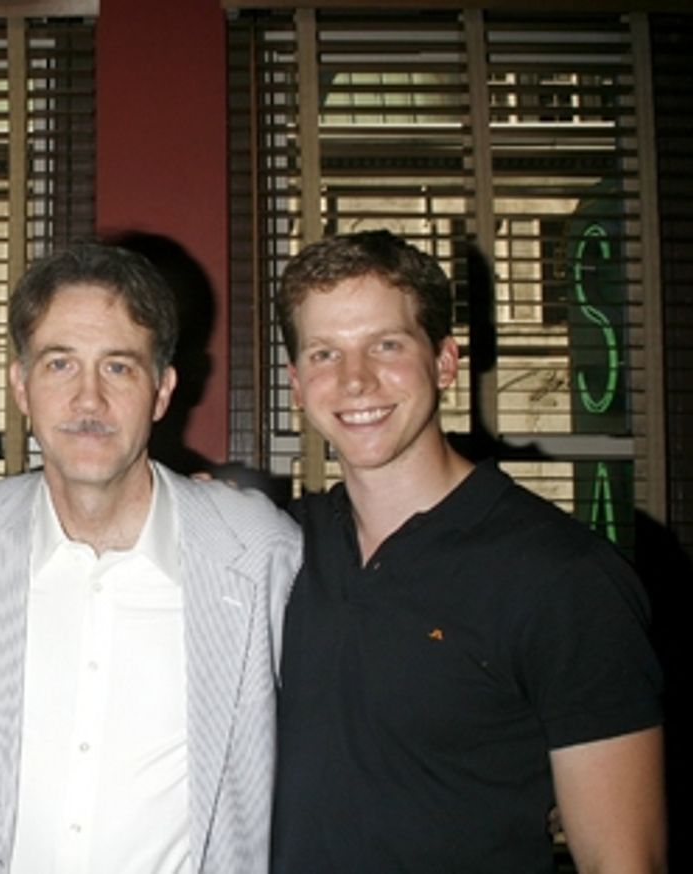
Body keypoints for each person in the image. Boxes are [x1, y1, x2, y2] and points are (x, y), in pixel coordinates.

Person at [270, 229, 666, 872]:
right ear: (295, 381)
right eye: (324, 353)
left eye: (386, 344)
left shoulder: (562, 576)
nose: (354, 379)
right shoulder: (278, 549)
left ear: (445, 362)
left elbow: (622, 860)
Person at [0, 244, 301, 874]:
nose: (88, 400)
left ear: (161, 391)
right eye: (60, 364)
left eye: (118, 367)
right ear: (21, 385)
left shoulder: (255, 550)